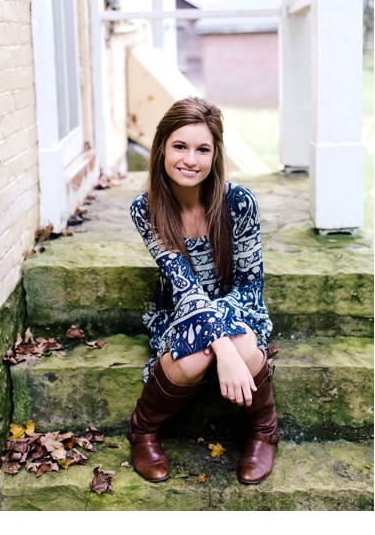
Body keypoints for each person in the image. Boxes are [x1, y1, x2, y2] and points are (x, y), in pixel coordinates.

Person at [127, 97, 278, 485]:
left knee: (245, 348)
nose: (190, 160)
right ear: (161, 146)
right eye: (180, 146)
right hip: (181, 309)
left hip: (239, 306)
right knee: (194, 358)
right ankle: (143, 430)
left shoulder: (238, 203)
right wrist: (221, 347)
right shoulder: (147, 209)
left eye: (202, 149)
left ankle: (264, 432)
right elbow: (184, 287)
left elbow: (249, 285)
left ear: (215, 155)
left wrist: (229, 342)